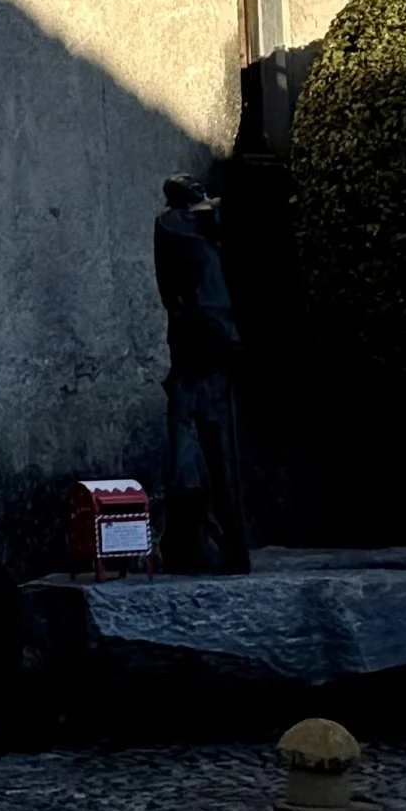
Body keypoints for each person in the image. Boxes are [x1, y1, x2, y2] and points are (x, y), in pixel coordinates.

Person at [154, 174, 250, 573]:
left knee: (193, 456)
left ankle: (195, 546)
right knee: (215, 457)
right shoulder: (196, 227)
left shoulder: (170, 227)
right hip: (211, 344)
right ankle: (216, 546)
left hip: (195, 348)